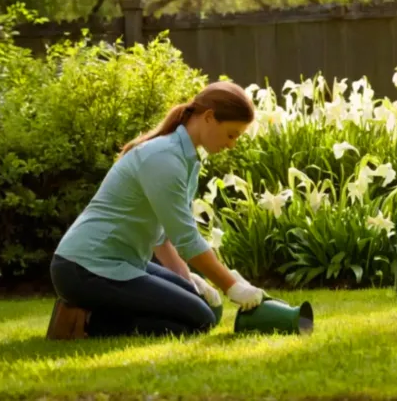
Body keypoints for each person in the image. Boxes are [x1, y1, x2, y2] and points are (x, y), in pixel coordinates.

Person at [46, 80, 267, 340]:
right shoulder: (164, 157)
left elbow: (161, 238)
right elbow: (187, 239)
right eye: (231, 135)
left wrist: (188, 280)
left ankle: (88, 309)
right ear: (209, 117)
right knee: (200, 319)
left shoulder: (184, 158)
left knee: (204, 308)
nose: (231, 145)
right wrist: (232, 286)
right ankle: (84, 321)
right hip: (85, 267)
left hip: (119, 263)